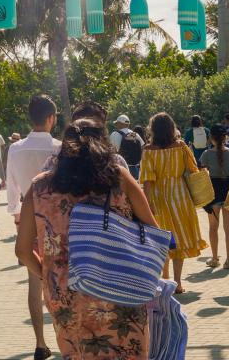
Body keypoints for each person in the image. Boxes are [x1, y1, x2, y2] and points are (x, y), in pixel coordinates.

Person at [16, 114, 156, 359]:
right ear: (103, 144)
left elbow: (22, 251)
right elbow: (152, 231)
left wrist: (49, 275)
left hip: (66, 292)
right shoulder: (119, 178)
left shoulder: (39, 187)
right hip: (121, 287)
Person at [5, 95, 61, 360]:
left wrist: (18, 219)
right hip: (57, 223)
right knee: (61, 281)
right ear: (51, 118)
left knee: (34, 283)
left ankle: (40, 342)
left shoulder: (15, 149)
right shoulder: (60, 148)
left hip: (28, 223)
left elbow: (11, 189)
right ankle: (65, 337)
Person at [140, 112, 207, 293]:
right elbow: (193, 169)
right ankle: (178, 282)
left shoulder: (148, 150)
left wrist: (146, 204)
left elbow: (147, 180)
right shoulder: (181, 146)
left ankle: (165, 278)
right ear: (172, 128)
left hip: (158, 197)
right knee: (180, 238)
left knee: (161, 239)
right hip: (180, 196)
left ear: (152, 129)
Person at [200, 124, 229, 269]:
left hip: (213, 191)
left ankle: (215, 258)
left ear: (211, 138)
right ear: (225, 137)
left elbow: (202, 175)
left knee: (213, 227)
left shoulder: (206, 154)